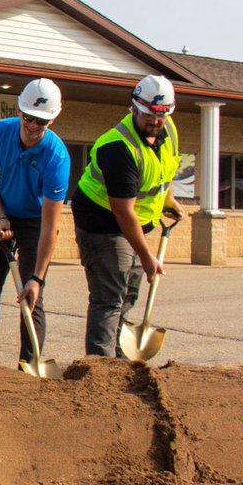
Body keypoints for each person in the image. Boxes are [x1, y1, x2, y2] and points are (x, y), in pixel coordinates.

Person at [73, 74, 183, 358]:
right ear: (134, 107)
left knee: (129, 293)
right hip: (102, 223)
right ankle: (98, 367)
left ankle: (120, 360)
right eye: (148, 114)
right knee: (110, 296)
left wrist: (168, 198)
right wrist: (148, 258)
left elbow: (166, 169)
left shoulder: (167, 129)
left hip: (138, 222)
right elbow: (123, 211)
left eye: (161, 115)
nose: (155, 122)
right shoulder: (118, 147)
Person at [0, 79, 71, 367]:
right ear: (19, 110)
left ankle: (29, 364)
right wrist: (0, 215)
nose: (32, 125)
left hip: (35, 223)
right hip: (1, 212)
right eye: (27, 117)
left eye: (41, 121)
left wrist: (37, 278)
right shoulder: (1, 132)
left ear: (53, 118)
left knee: (31, 294)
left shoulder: (57, 157)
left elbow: (51, 226)